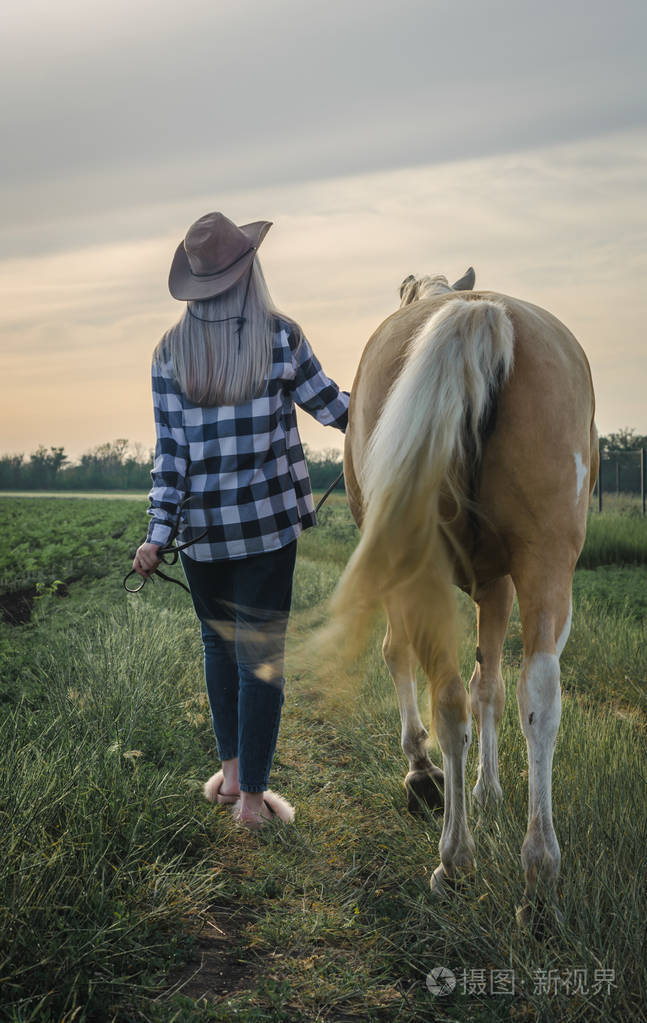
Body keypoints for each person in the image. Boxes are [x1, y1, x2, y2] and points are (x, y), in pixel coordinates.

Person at [131, 211, 349, 830]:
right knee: (261, 658)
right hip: (268, 530)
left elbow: (170, 460)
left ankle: (230, 775)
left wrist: (155, 535)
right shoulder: (281, 338)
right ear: (249, 268)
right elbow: (336, 410)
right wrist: (392, 411)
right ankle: (253, 803)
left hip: (201, 536)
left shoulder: (168, 353)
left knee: (218, 648)